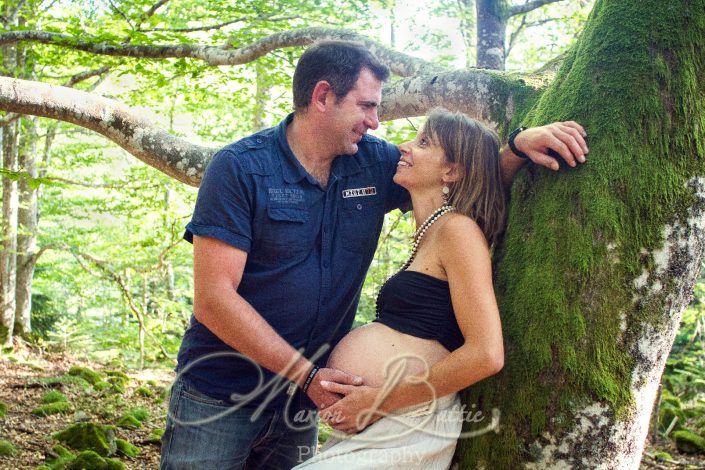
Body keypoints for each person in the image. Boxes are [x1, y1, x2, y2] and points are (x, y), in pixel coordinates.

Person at [159, 40, 588, 470]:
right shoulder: (239, 169)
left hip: (302, 408)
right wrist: (307, 375)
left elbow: (459, 175)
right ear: (323, 96)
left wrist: (516, 147)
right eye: (366, 106)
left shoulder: (372, 163)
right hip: (222, 394)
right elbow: (214, 299)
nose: (376, 122)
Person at [294, 109, 506, 469]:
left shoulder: (458, 231)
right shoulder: (433, 232)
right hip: (382, 423)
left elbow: (487, 354)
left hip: (409, 422)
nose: (404, 147)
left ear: (451, 171)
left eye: (423, 142)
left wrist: (377, 400)